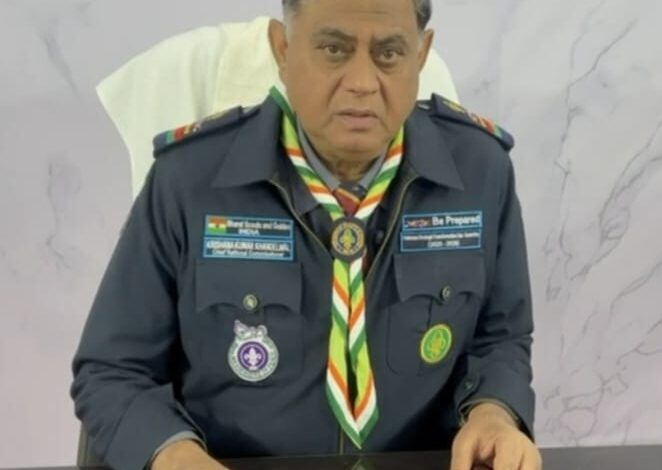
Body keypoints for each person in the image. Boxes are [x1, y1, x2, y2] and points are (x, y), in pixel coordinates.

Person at [71, 1, 542, 469]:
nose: (362, 82)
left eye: (389, 53)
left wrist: (494, 411)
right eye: (334, 49)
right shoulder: (189, 180)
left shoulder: (480, 172)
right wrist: (173, 453)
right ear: (283, 50)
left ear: (420, 56)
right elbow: (112, 369)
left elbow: (500, 338)